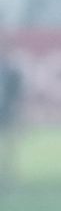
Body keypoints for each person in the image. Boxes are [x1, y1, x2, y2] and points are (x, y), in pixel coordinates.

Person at [0, 49, 22, 191]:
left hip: (7, 114)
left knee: (8, 151)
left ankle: (8, 181)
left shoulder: (11, 73)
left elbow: (16, 96)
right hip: (7, 113)